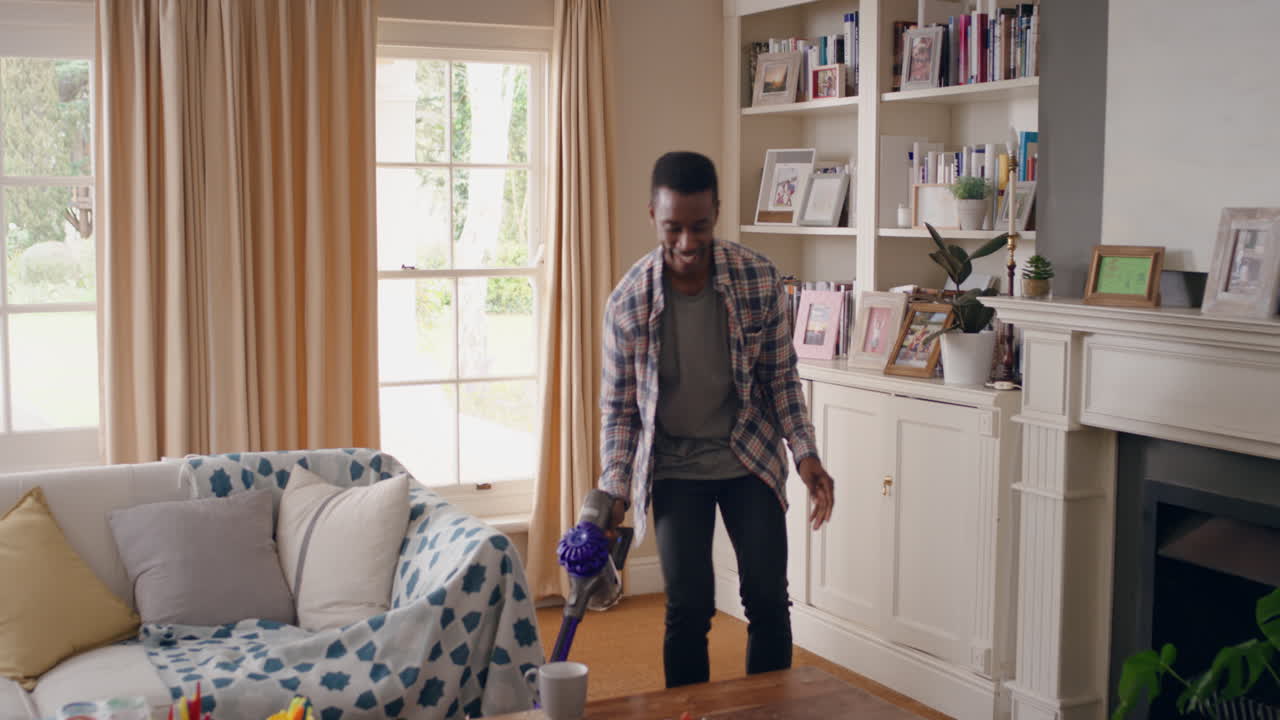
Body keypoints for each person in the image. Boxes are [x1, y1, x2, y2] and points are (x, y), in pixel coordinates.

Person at [598, 151, 836, 688]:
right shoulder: (628, 304)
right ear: (652, 216)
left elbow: (780, 378)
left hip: (747, 455)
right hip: (674, 464)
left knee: (768, 600)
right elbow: (620, 414)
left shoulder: (758, 278)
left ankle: (767, 711)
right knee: (688, 607)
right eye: (673, 228)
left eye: (700, 227)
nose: (687, 242)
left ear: (717, 213)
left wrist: (806, 455)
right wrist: (614, 489)